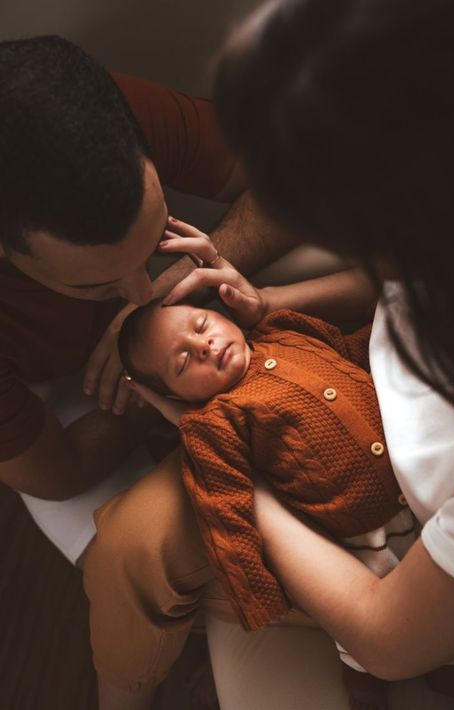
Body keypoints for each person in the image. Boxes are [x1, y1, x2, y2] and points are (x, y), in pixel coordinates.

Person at [181, 0, 454, 707]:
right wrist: (274, 303)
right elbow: (403, 279)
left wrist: (247, 488)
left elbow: (388, 640)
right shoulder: (440, 224)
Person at [0, 34, 300, 709]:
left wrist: (182, 286)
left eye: (154, 234)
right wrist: (144, 389)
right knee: (133, 561)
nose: (142, 294)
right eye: (97, 283)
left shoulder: (91, 118)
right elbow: (54, 473)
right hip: (49, 400)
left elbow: (292, 170)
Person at [118, 260, 418, 708]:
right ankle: (364, 683)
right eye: (183, 361)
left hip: (414, 479)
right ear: (177, 396)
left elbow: (349, 351)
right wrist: (257, 592)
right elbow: (225, 507)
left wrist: (395, 327)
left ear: (221, 314)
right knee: (380, 630)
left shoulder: (281, 329)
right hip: (358, 535)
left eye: (201, 326)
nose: (204, 346)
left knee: (446, 590)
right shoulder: (214, 422)